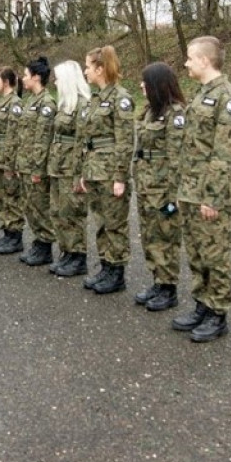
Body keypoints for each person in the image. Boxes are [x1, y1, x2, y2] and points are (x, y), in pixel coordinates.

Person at [171, 36, 231, 342]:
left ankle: (218, 313)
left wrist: (212, 196)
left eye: (190, 58)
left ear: (204, 60)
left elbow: (224, 154)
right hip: (191, 189)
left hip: (210, 193)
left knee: (215, 255)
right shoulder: (201, 94)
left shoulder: (228, 99)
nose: (186, 63)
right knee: (197, 252)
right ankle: (202, 304)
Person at [77, 45, 136, 295]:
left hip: (110, 171)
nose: (85, 71)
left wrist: (120, 176)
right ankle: (105, 266)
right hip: (94, 170)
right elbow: (87, 140)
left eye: (88, 66)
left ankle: (117, 272)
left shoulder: (119, 98)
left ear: (100, 69)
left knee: (115, 225)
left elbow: (124, 141)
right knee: (100, 222)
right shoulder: (95, 99)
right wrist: (83, 172)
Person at [132, 62, 186, 312]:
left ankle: (168, 287)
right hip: (146, 185)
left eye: (145, 81)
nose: (141, 85)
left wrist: (174, 197)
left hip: (163, 188)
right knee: (150, 236)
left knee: (166, 237)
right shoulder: (149, 112)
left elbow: (177, 158)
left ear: (157, 84)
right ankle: (157, 281)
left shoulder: (176, 115)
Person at [46, 60, 92, 277]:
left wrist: (78, 174)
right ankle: (66, 251)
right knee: (58, 212)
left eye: (58, 78)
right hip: (57, 165)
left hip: (70, 167)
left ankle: (78, 255)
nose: (55, 82)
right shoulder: (64, 104)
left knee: (72, 212)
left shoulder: (82, 105)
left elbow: (82, 143)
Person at [16, 57, 58, 266]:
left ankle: (45, 245)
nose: (22, 79)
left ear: (36, 77)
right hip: (24, 162)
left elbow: (43, 140)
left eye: (25, 75)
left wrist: (37, 169)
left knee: (40, 206)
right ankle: (38, 242)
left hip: (35, 165)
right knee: (29, 206)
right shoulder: (31, 101)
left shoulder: (47, 103)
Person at [0, 66, 25, 255]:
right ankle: (7, 233)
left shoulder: (15, 104)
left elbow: (15, 135)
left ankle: (15, 235)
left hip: (7, 157)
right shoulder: (2, 102)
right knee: (1, 196)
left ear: (7, 82)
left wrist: (11, 163)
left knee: (12, 197)